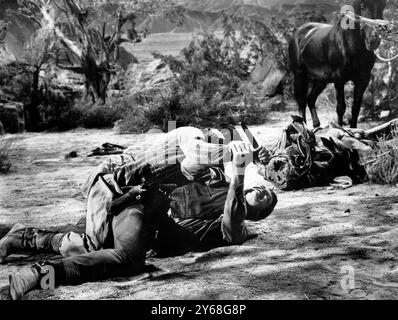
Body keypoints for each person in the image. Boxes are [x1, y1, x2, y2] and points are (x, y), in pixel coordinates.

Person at [0, 126, 277, 300]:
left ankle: (20, 238)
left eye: (268, 201)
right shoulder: (215, 176)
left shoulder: (238, 226)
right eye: (265, 189)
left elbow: (233, 217)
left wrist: (239, 171)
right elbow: (194, 157)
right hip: (130, 196)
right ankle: (41, 273)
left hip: (132, 207)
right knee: (125, 260)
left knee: (84, 246)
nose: (266, 192)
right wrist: (234, 153)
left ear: (258, 215)